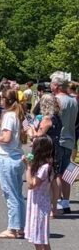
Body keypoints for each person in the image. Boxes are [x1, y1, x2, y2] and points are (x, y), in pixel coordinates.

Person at [0, 89, 26, 239]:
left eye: (1, 99)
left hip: (7, 157)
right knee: (18, 195)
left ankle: (12, 228)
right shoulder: (18, 114)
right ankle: (21, 226)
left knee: (10, 194)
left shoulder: (9, 115)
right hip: (16, 156)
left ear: (5, 100)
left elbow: (7, 138)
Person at [20, 136, 55, 250]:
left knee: (39, 242)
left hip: (39, 209)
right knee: (44, 242)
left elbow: (31, 185)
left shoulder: (44, 168)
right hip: (40, 206)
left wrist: (28, 167)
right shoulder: (46, 165)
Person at [26, 94, 62, 217]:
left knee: (46, 178)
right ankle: (55, 207)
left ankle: (49, 206)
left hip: (46, 150)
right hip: (56, 148)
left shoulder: (47, 119)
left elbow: (38, 135)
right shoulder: (57, 117)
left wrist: (30, 129)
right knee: (55, 177)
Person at [50, 71, 77, 215]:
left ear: (57, 86)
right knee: (67, 173)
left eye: (53, 84)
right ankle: (65, 202)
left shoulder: (57, 101)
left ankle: (58, 203)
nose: (51, 86)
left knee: (58, 173)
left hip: (59, 139)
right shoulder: (73, 100)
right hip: (70, 139)